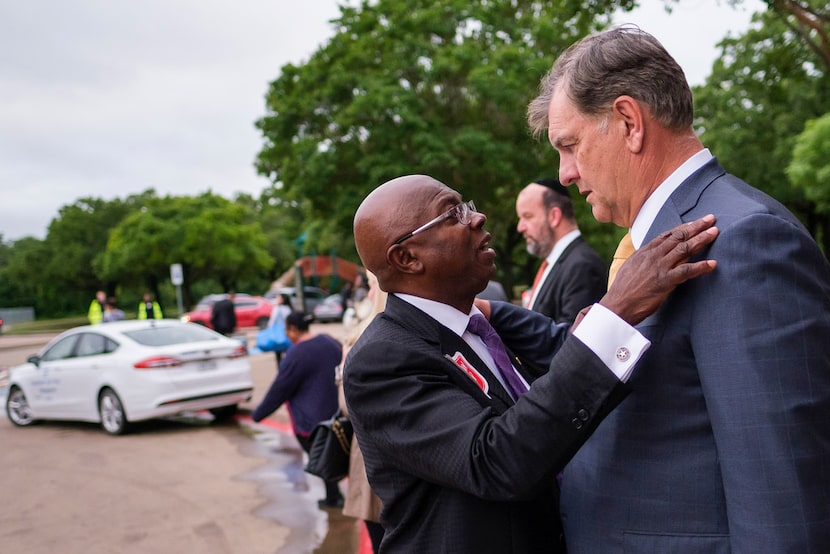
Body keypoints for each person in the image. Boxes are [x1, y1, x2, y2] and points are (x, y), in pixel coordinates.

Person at [520, 26, 830, 552]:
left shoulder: (745, 240)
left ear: (628, 122)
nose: (565, 175)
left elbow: (781, 496)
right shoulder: (654, 242)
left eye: (569, 146)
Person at [343, 174, 718, 552]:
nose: (478, 218)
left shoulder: (471, 327)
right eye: (452, 215)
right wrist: (613, 314)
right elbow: (496, 459)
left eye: (466, 206)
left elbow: (553, 381)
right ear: (407, 258)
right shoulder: (383, 358)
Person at [252, 311, 344, 509]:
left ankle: (334, 498)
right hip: (335, 412)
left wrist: (259, 414)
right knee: (330, 456)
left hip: (310, 420)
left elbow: (280, 388)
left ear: (293, 330)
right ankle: (334, 496)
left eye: (286, 330)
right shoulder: (329, 342)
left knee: (321, 460)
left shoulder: (296, 353)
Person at [337, 271, 387, 553]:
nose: (367, 295)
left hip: (372, 465)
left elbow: (346, 406)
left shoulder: (360, 340)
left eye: (370, 286)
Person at [516, 178, 606, 324]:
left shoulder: (581, 266)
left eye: (527, 216)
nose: (520, 227)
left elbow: (572, 339)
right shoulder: (559, 263)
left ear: (554, 216)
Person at [267, 293, 293, 365]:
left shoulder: (279, 308)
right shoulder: (287, 308)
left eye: (279, 298)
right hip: (284, 332)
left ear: (283, 299)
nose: (277, 299)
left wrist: (269, 330)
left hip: (280, 332)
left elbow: (272, 321)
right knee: (286, 351)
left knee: (280, 352)